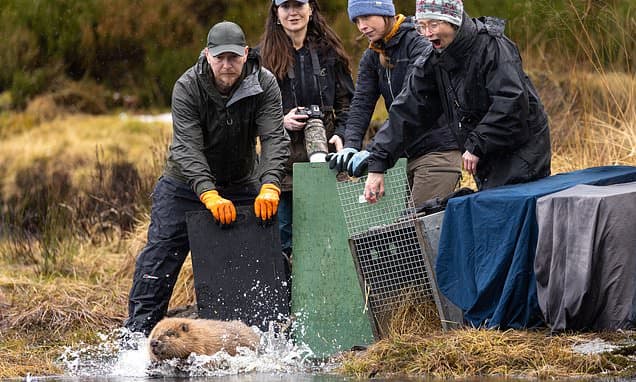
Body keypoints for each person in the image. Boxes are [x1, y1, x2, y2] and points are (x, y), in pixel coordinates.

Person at [124, 21, 290, 335]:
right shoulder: (187, 86)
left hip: (242, 181)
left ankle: (264, 338)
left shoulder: (265, 84)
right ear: (206, 55)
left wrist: (269, 184)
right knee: (159, 259)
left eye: (233, 58)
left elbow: (274, 138)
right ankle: (136, 339)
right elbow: (187, 147)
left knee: (260, 256)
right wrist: (208, 194)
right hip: (184, 184)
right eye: (219, 58)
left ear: (245, 54)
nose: (226, 65)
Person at [358, 0, 551, 203]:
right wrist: (378, 160)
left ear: (453, 21)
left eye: (433, 25)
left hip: (522, 149)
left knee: (511, 214)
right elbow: (409, 110)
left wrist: (477, 144)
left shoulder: (491, 47)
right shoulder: (433, 60)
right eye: (421, 26)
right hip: (483, 154)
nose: (427, 33)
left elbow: (511, 102)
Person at [327, 0, 461, 207]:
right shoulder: (372, 56)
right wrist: (351, 145)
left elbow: (410, 103)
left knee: (419, 227)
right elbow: (361, 104)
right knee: (401, 232)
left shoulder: (419, 44)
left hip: (437, 151)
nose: (362, 26)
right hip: (401, 155)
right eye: (357, 20)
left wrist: (373, 150)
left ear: (384, 13)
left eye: (366, 17)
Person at [258, 0, 354, 258]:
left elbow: (348, 102)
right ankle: (289, 296)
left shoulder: (330, 52)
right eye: (285, 6)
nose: (293, 12)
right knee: (284, 240)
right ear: (276, 14)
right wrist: (281, 121)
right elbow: (248, 113)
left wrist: (341, 134)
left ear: (310, 9)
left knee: (333, 233)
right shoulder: (261, 58)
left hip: (326, 157)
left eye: (298, 4)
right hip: (281, 165)